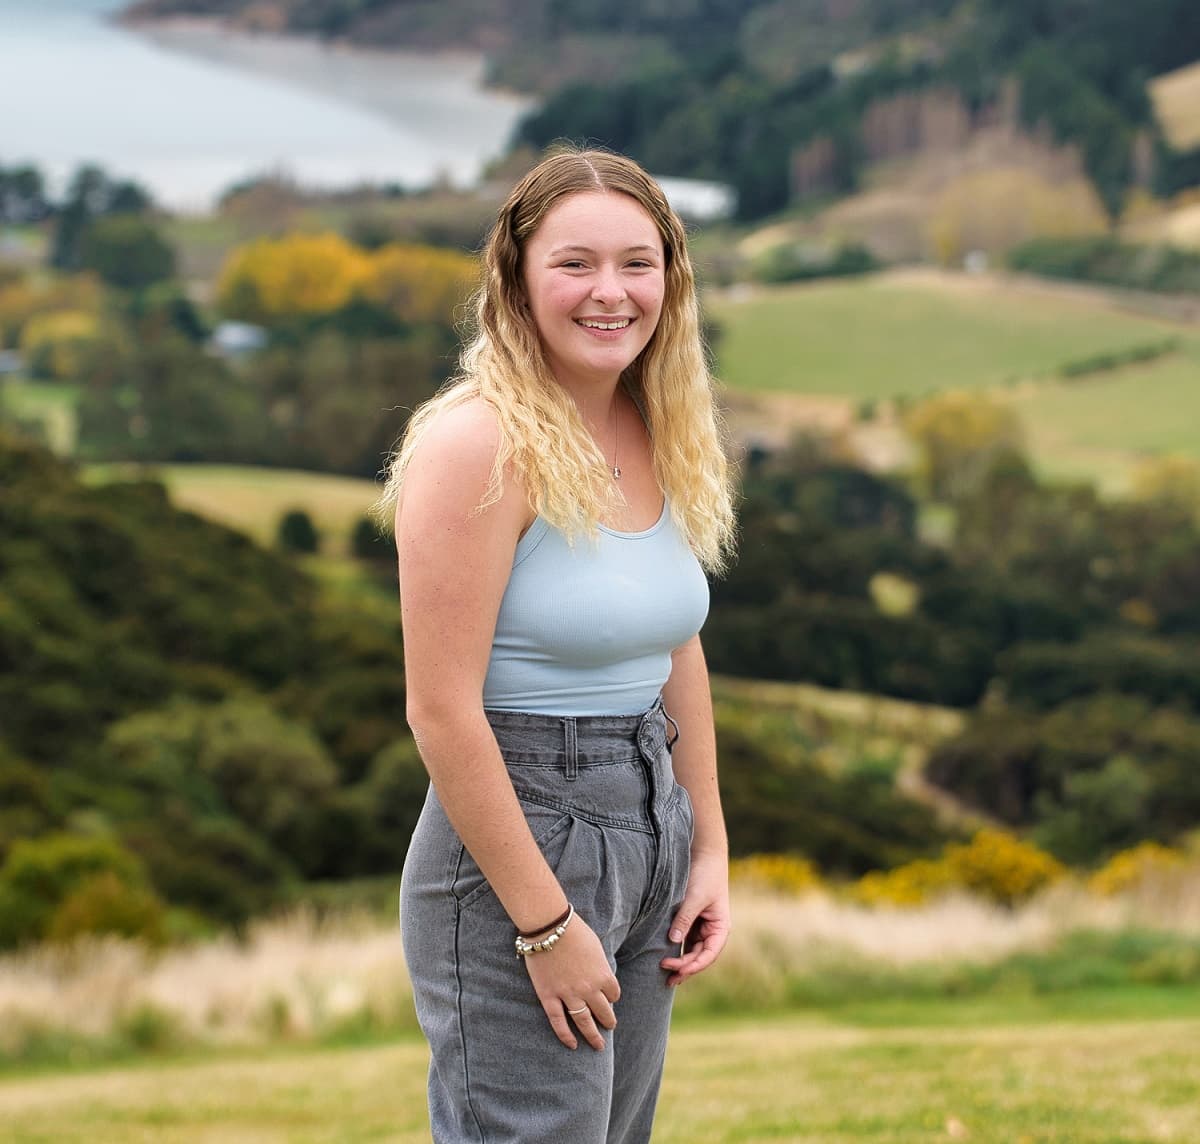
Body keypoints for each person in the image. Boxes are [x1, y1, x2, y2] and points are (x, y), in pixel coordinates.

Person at [381, 146, 736, 1143]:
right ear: (517, 277)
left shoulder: (655, 423)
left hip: (646, 816)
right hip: (519, 841)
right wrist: (542, 924)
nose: (611, 292)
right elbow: (441, 710)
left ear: (672, 275)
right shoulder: (476, 445)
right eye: (575, 262)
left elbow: (676, 648)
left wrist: (707, 845)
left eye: (638, 261)